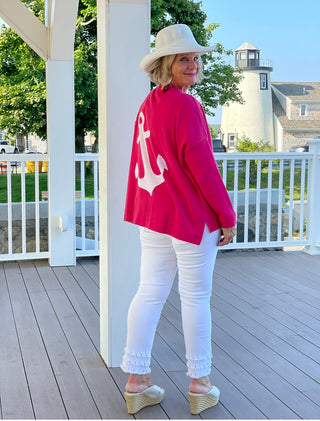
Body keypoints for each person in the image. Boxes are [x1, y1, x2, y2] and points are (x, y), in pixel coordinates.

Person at [121, 23, 236, 415]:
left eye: (194, 58)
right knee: (195, 297)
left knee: (149, 291)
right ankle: (200, 385)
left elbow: (142, 163)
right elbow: (202, 166)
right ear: (166, 64)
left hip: (154, 216)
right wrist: (226, 214)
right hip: (188, 219)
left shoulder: (148, 105)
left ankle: (137, 383)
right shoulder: (186, 105)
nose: (192, 64)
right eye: (183, 59)